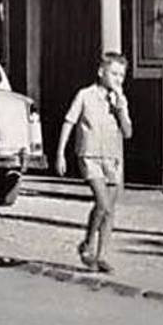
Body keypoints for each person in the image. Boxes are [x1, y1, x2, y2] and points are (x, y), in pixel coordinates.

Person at [55, 53, 134, 273]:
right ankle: (89, 242)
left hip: (113, 158)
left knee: (109, 210)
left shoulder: (120, 99)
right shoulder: (85, 95)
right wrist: (60, 153)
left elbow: (127, 132)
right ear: (101, 72)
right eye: (114, 73)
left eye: (122, 75)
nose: (118, 79)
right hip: (89, 156)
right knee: (103, 203)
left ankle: (102, 255)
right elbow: (69, 122)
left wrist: (120, 107)